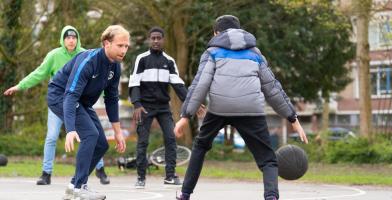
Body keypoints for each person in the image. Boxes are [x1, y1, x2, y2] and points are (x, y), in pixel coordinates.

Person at [174, 15, 309, 200]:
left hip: (219, 108)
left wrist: (185, 116)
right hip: (250, 109)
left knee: (200, 146)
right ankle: (271, 197)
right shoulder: (255, 53)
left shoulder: (212, 52)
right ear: (240, 30)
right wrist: (292, 118)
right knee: (268, 160)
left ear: (216, 33)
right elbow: (272, 88)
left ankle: (184, 194)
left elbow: (200, 84)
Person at [3, 25, 110, 185]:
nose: (71, 40)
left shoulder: (86, 54)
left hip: (78, 102)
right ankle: (46, 173)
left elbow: (98, 81)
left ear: (78, 39)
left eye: (74, 37)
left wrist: (104, 96)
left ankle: (100, 170)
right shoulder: (54, 55)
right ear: (62, 39)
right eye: (68, 37)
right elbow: (39, 73)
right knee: (52, 136)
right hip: (59, 102)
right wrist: (20, 86)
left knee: (91, 134)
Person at [47, 25, 128, 200]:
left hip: (80, 102)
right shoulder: (88, 61)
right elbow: (70, 95)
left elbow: (112, 99)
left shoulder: (115, 67)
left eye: (126, 46)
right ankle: (78, 189)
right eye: (120, 45)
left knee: (101, 144)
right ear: (107, 43)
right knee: (90, 134)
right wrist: (70, 129)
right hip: (61, 96)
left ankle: (74, 186)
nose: (124, 50)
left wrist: (118, 131)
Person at [128, 27, 205, 189]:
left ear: (163, 40)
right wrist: (136, 104)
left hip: (163, 107)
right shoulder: (141, 59)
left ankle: (170, 176)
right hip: (144, 107)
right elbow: (134, 83)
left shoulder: (169, 61)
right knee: (143, 142)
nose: (156, 41)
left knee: (171, 139)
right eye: (153, 38)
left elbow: (179, 86)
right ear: (149, 40)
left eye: (159, 38)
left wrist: (193, 102)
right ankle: (141, 177)